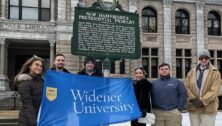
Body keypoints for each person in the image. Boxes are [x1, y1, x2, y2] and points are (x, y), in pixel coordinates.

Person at [185, 49, 221, 126]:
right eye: (201, 58)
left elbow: (215, 90)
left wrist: (202, 101)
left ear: (209, 59)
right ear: (199, 59)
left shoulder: (215, 72)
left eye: (206, 58)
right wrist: (194, 99)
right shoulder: (191, 72)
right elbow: (187, 87)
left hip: (208, 108)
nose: (203, 60)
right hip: (194, 107)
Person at [14, 55, 45, 126]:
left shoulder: (42, 81)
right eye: (36, 65)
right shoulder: (24, 82)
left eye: (41, 66)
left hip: (40, 118)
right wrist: (33, 122)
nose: (39, 67)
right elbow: (27, 104)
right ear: (30, 66)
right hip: (27, 121)